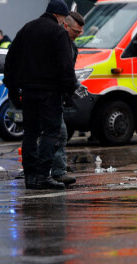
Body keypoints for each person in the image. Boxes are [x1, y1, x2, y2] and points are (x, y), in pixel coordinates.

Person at [3, 0, 80, 190]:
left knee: (30, 132)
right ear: (58, 16)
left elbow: (10, 60)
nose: (63, 23)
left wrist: (12, 90)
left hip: (28, 92)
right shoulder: (58, 33)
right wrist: (69, 92)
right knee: (50, 132)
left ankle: (30, 177)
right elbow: (65, 66)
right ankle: (43, 176)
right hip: (50, 93)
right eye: (63, 19)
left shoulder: (26, 29)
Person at [51, 11, 85, 186]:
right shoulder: (58, 42)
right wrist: (74, 86)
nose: (77, 36)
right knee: (59, 133)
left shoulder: (72, 47)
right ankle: (56, 172)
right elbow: (62, 72)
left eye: (80, 33)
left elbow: (68, 73)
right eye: (76, 32)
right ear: (66, 25)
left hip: (57, 96)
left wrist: (75, 86)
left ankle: (50, 169)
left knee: (52, 134)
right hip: (49, 95)